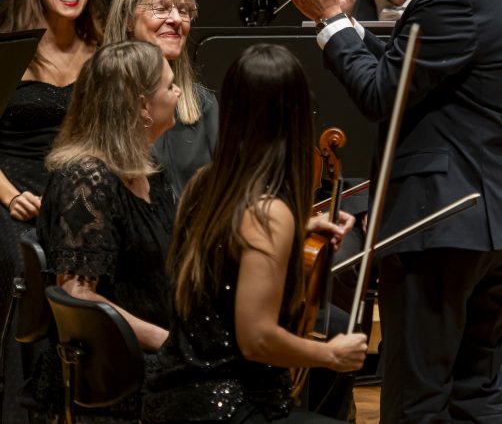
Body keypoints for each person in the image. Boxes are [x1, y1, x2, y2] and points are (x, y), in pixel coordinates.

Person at [275, 0, 502, 422]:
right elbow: (417, 73)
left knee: (415, 395)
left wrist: (328, 22)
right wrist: (348, 20)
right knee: (476, 384)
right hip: (498, 215)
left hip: (444, 222)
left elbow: (379, 96)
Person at [145, 43, 367, 423]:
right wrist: (331, 354)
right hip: (234, 406)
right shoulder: (270, 214)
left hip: (175, 397)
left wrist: (300, 230)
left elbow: (227, 253)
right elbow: (257, 338)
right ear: (295, 118)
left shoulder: (204, 184)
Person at [34, 40, 180, 418]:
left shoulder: (151, 173)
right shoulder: (87, 180)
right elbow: (78, 295)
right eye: (169, 85)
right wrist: (167, 342)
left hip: (154, 353)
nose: (178, 92)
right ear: (143, 105)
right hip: (115, 370)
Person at [0, 0, 104, 228]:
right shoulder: (8, 47)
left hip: (80, 188)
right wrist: (12, 197)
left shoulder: (103, 52)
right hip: (10, 190)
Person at [103, 0, 218, 197]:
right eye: (161, 8)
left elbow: (229, 189)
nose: (176, 19)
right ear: (127, 19)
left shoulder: (203, 103)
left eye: (184, 10)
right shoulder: (98, 100)